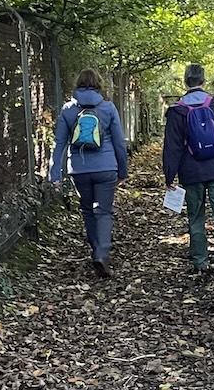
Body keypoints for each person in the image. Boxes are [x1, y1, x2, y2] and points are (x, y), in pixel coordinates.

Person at [49, 68, 127, 278]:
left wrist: (54, 173)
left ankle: (96, 250)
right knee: (104, 211)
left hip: (79, 169)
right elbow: (119, 142)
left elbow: (59, 143)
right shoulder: (108, 108)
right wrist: (123, 169)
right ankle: (101, 253)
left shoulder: (68, 109)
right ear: (98, 84)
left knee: (87, 210)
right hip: (106, 166)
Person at [163, 63, 214, 279]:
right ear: (203, 81)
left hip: (191, 170)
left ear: (186, 82)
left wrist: (169, 174)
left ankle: (199, 261)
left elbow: (172, 146)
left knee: (196, 215)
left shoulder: (177, 110)